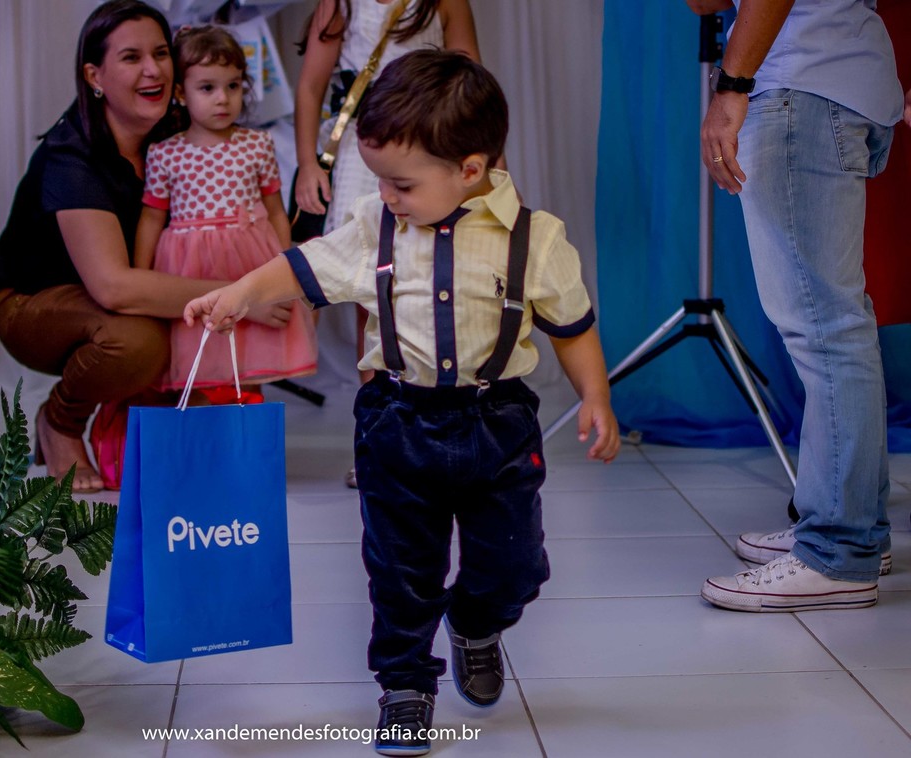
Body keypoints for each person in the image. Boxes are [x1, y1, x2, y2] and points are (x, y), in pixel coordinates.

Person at [185, 50, 620, 756]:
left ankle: (475, 623)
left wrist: (594, 396)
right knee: (401, 571)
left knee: (514, 566)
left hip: (498, 424)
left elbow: (572, 327)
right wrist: (239, 294)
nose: (386, 195)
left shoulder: (536, 238)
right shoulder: (375, 227)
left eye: (402, 183)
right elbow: (303, 266)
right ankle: (405, 684)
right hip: (397, 421)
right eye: (380, 179)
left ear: (471, 169)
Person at [0, 1, 294, 493]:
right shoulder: (73, 157)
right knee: (139, 342)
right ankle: (60, 421)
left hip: (129, 292)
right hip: (35, 304)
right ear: (95, 75)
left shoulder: (179, 128)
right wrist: (239, 295)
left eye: (161, 53)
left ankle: (204, 434)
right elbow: (114, 288)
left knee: (203, 323)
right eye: (131, 57)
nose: (153, 70)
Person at [688, 0, 902, 611]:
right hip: (837, 78)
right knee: (837, 324)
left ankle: (838, 550)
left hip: (802, 84)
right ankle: (856, 529)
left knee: (827, 329)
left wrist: (731, 87)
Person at [293, 0, 480, 489]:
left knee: (435, 289)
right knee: (375, 300)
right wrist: (309, 163)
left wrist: (487, 166)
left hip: (432, 150)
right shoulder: (340, 3)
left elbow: (470, 83)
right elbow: (312, 85)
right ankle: (379, 442)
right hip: (368, 153)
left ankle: (438, 436)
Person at [134, 26, 317, 397]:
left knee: (250, 355)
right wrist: (141, 278)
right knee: (199, 356)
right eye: (208, 88)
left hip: (248, 263)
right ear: (181, 93)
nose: (223, 99)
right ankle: (205, 424)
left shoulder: (257, 144)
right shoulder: (164, 153)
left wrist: (283, 268)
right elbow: (151, 219)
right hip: (189, 267)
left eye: (233, 86)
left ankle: (246, 421)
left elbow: (276, 212)